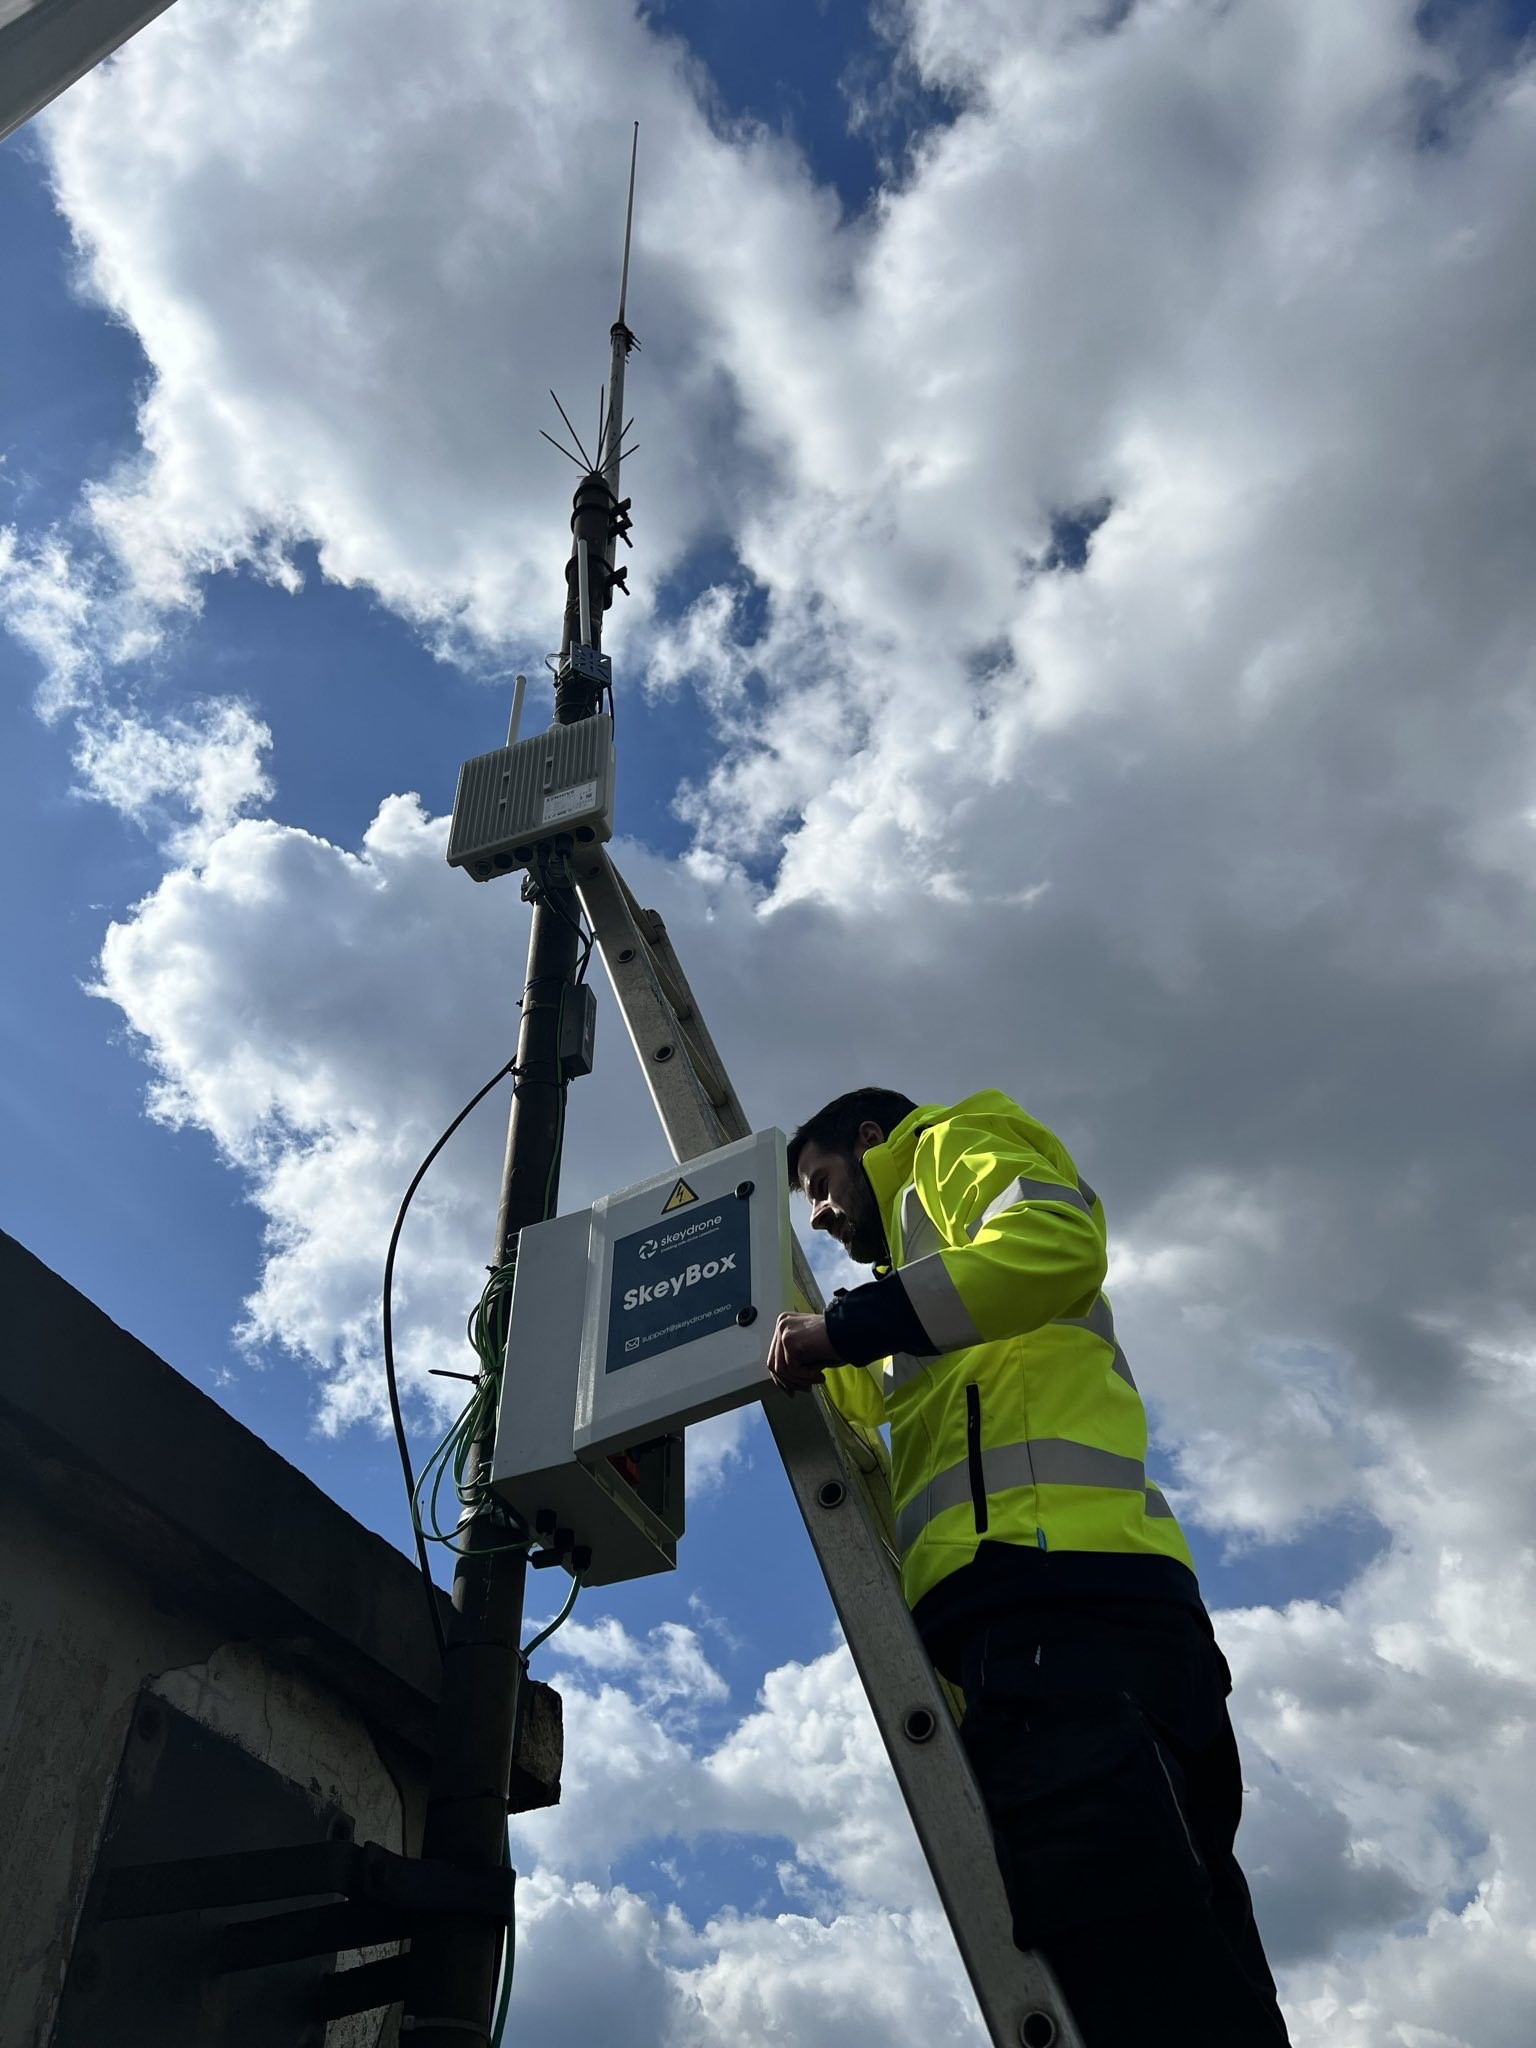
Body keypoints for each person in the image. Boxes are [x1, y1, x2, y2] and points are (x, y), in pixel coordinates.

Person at [770, 1086, 1290, 2048]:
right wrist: (799, 1328)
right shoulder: (923, 1297)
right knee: (1192, 1950)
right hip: (1083, 1615)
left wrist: (842, 1328)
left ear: (874, 1141)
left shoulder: (950, 1150)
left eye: (824, 1182)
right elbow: (875, 1426)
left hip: (1058, 1602)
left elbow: (1052, 1240)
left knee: (1123, 1950)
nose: (821, 1212)